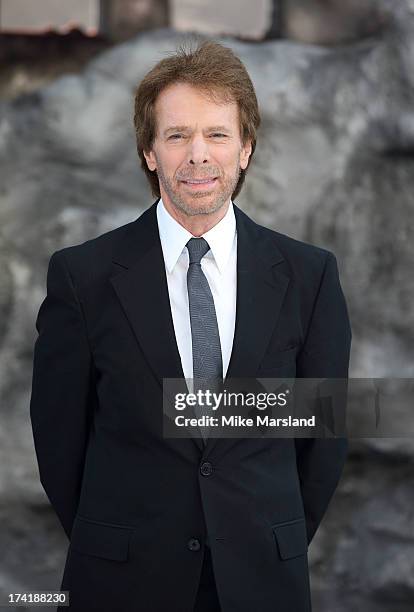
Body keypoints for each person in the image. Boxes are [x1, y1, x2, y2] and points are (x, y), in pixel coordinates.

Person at [30, 39, 352, 612]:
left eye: (217, 135)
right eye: (177, 135)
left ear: (246, 149)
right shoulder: (83, 277)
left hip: (261, 584)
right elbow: (59, 443)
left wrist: (262, 543)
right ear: (150, 152)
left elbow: (322, 443)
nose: (198, 155)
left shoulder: (310, 277)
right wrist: (115, 542)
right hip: (123, 584)